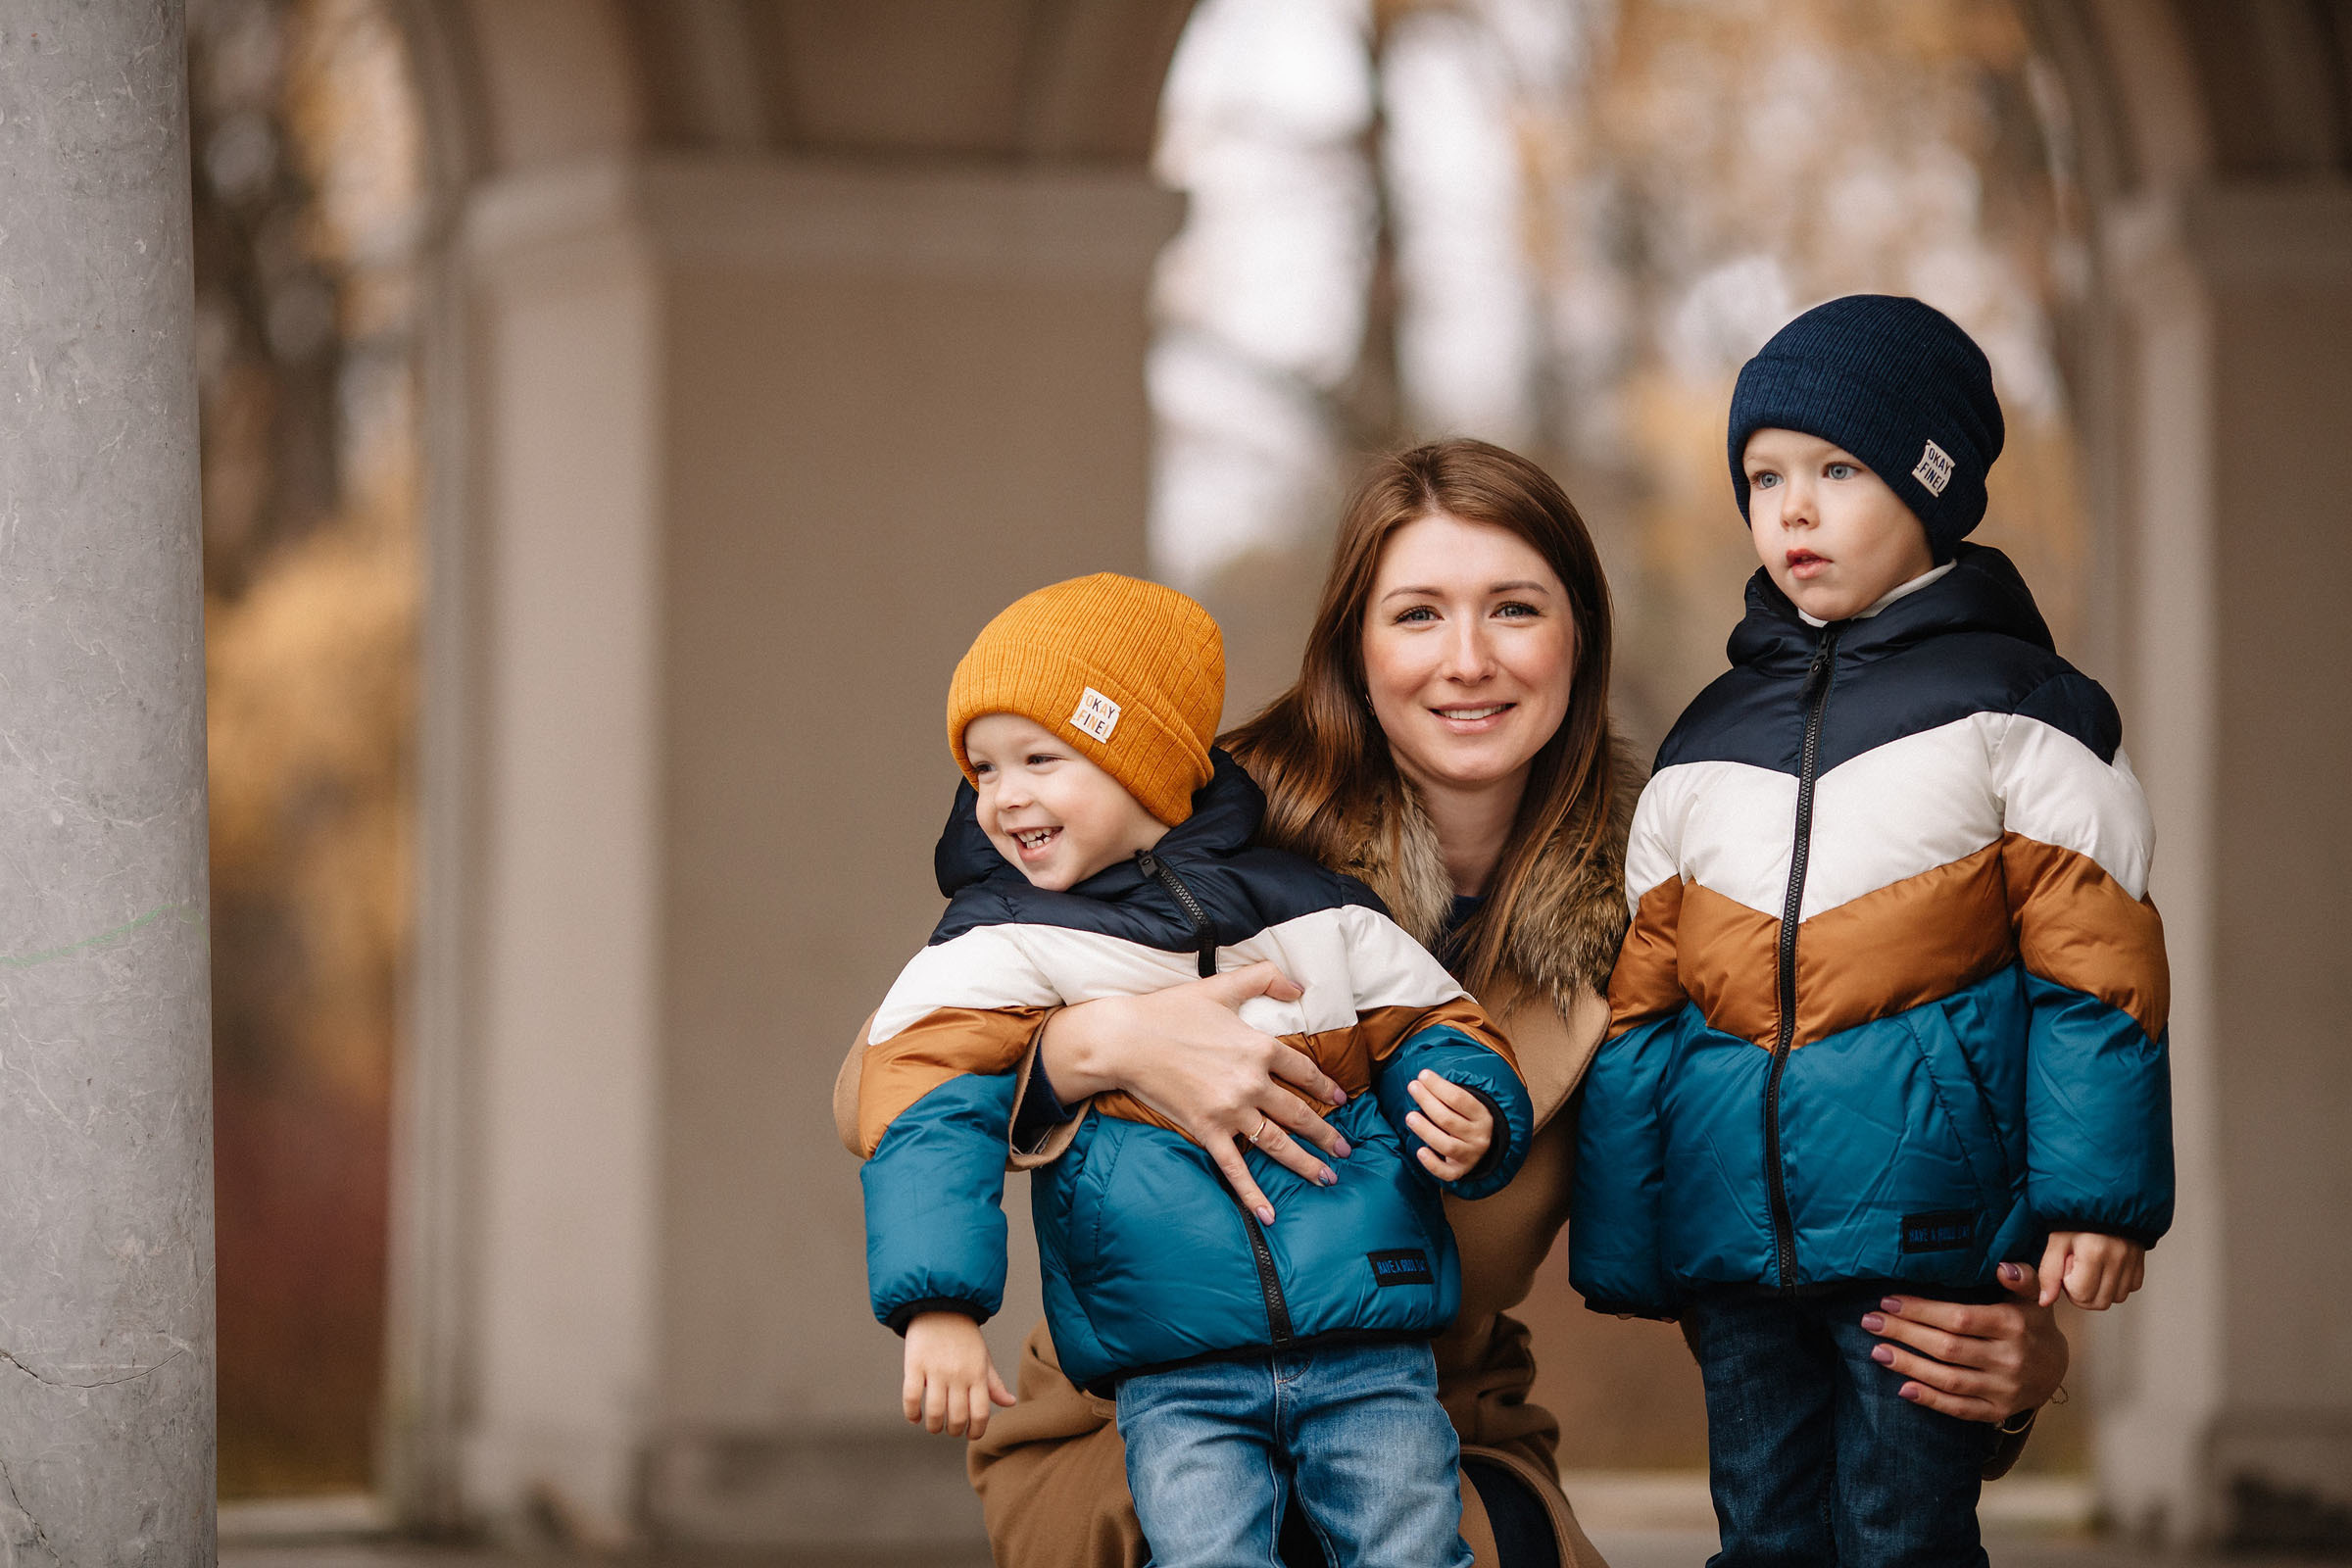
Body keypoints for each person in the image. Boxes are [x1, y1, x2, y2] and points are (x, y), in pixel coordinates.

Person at [833, 438, 2075, 1568]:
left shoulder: (1684, 889)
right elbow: (885, 1074)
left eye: (1515, 611)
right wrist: (1094, 1045)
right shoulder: (1185, 827)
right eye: (1418, 613)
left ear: (1576, 639)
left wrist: (2004, 1356)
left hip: (1435, 1419)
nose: (1467, 659)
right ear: (1352, 647)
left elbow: (1823, 1166)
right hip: (1135, 1412)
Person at [1571, 295, 2174, 1566]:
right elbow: (1645, 1013)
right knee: (1763, 1534)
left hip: (1925, 1228)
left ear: (1934, 484)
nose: (1790, 507)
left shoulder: (2022, 709)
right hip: (1739, 1242)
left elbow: (2097, 969)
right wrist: (1632, 1230)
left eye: (1838, 470)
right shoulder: (1703, 739)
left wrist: (2097, 1197)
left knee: (1902, 1535)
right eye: (1763, 476)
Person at [851, 570, 1537, 1568]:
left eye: (1040, 757)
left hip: (1368, 1341)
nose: (1005, 797)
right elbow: (921, 1099)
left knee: (1412, 1548)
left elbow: (1434, 1019)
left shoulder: (1315, 910)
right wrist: (940, 1302)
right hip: (1172, 1362)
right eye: (983, 769)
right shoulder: (999, 942)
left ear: (1148, 763)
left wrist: (1472, 1101)